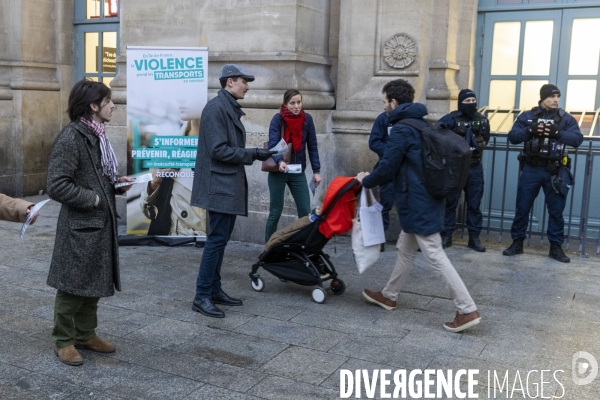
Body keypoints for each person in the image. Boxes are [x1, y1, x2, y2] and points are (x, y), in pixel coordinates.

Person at [357, 79, 481, 333]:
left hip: (417, 201)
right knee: (405, 247)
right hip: (424, 198)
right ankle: (389, 295)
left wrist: (365, 181)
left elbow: (389, 165)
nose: (384, 108)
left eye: (384, 103)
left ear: (394, 102)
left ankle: (466, 309)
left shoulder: (403, 129)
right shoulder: (421, 124)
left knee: (434, 253)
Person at [46, 79, 133, 366]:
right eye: (108, 101)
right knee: (72, 287)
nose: (113, 106)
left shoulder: (97, 136)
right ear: (94, 106)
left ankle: (85, 334)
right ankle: (63, 340)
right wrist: (95, 199)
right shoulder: (72, 138)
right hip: (80, 227)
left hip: (97, 226)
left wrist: (116, 185)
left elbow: (98, 178)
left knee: (93, 285)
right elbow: (57, 185)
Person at [190, 64, 275, 318]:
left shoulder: (226, 107)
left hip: (225, 185)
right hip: (218, 186)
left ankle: (214, 290)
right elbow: (219, 150)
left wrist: (254, 153)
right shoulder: (217, 108)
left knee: (220, 240)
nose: (247, 86)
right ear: (229, 82)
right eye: (243, 82)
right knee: (216, 241)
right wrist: (254, 153)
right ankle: (202, 295)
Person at [503, 84, 583, 263]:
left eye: (558, 96)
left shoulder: (565, 118)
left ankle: (555, 247)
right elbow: (513, 136)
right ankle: (517, 243)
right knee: (522, 207)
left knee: (556, 210)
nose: (555, 100)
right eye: (552, 97)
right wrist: (529, 131)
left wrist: (558, 133)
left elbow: (577, 139)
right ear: (543, 97)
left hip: (555, 170)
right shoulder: (528, 117)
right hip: (531, 168)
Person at [264, 89, 321, 242]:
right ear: (285, 103)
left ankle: (303, 245)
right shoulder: (278, 119)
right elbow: (273, 144)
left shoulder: (307, 119)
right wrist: (280, 161)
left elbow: (313, 146)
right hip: (278, 172)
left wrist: (316, 171)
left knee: (304, 211)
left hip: (297, 171)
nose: (296, 106)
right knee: (275, 212)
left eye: (299, 102)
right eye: (292, 103)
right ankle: (269, 246)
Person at [438, 89, 490, 252]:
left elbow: (485, 138)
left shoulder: (482, 120)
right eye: (467, 101)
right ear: (460, 103)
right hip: (455, 168)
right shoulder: (450, 119)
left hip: (474, 167)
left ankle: (474, 238)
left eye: (473, 101)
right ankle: (446, 236)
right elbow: (437, 136)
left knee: (474, 204)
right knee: (451, 203)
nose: (471, 104)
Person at [141, 120, 206, 236]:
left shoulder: (222, 146)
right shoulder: (167, 146)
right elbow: (149, 213)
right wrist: (153, 185)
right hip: (173, 241)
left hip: (209, 244)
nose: (181, 100)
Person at [368, 112, 394, 252]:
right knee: (385, 203)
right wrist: (392, 153)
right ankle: (381, 238)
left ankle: (415, 238)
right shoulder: (383, 118)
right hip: (388, 167)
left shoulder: (409, 119)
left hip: (406, 170)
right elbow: (374, 142)